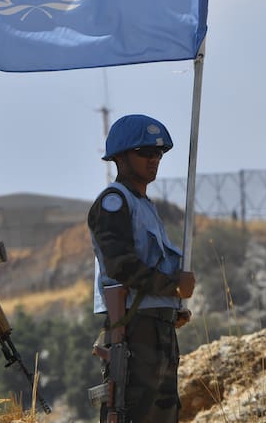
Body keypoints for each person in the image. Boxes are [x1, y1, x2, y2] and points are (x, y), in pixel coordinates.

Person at [88, 114, 196, 423]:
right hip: (134, 329)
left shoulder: (145, 206)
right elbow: (121, 266)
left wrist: (173, 304)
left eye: (158, 153)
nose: (154, 159)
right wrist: (172, 286)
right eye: (145, 153)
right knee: (132, 412)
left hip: (158, 328)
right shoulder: (114, 202)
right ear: (121, 157)